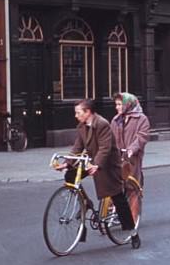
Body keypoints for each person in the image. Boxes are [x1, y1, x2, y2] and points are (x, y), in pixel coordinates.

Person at [55, 99, 139, 248]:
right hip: (93, 162)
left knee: (117, 197)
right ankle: (86, 202)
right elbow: (77, 147)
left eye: (78, 112)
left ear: (88, 112)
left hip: (108, 164)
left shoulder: (102, 124)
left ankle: (133, 232)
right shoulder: (82, 126)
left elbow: (105, 149)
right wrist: (67, 163)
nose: (76, 115)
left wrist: (97, 165)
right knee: (70, 175)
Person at [111, 92, 150, 189]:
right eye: (116, 104)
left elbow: (142, 137)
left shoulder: (141, 119)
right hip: (117, 159)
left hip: (132, 159)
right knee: (115, 189)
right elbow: (110, 138)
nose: (117, 107)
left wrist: (132, 149)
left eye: (119, 104)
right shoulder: (116, 120)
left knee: (132, 187)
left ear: (128, 104)